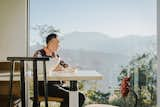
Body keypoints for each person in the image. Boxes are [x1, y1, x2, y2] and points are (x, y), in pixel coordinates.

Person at [33, 33, 85, 107]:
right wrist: (55, 68)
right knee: (76, 96)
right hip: (45, 87)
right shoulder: (39, 54)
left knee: (79, 95)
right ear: (50, 43)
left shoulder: (55, 55)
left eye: (58, 43)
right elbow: (38, 68)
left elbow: (65, 66)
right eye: (56, 43)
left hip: (56, 85)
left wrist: (68, 68)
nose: (58, 45)